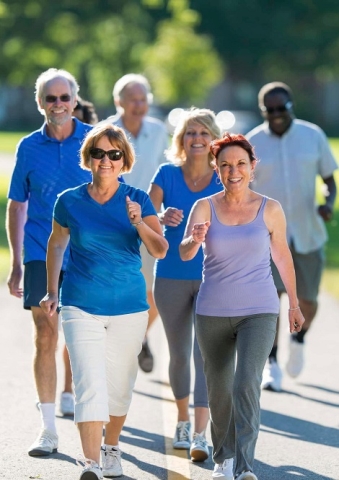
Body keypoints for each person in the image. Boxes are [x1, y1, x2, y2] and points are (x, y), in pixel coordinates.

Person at [39, 123, 168, 480]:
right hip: (80, 304)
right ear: (89, 158)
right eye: (99, 153)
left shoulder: (137, 198)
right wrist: (52, 290)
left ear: (124, 160)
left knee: (120, 384)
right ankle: (91, 462)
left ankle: (112, 448)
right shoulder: (69, 200)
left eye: (114, 154)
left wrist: (139, 223)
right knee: (88, 382)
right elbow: (56, 243)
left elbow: (160, 249)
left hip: (129, 307)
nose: (106, 160)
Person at [179, 132, 305, 480]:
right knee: (218, 388)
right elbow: (185, 251)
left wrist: (293, 304)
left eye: (240, 164)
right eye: (225, 165)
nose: (233, 171)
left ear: (252, 167)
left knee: (246, 382)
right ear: (216, 170)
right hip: (212, 312)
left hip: (259, 311)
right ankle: (224, 458)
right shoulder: (204, 206)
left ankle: (245, 466)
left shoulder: (270, 208)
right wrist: (194, 238)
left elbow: (282, 255)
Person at [6, 68, 93, 455]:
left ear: (75, 100)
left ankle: (77, 397)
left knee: (82, 334)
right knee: (46, 332)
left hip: (88, 253)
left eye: (64, 97)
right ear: (40, 102)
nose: (57, 104)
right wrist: (16, 262)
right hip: (41, 250)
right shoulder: (28, 147)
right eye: (50, 98)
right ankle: (47, 429)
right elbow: (17, 204)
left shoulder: (94, 142)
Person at [246, 82, 337, 392]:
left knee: (308, 301)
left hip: (308, 233)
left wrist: (328, 203)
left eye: (280, 109)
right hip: (268, 237)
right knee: (272, 302)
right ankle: (272, 363)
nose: (275, 115)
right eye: (269, 110)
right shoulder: (253, 142)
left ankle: (299, 337)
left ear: (291, 105)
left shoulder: (313, 135)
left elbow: (329, 180)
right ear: (263, 111)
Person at [148, 108, 222, 462]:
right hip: (171, 277)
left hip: (213, 278)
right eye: (190, 133)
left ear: (214, 140)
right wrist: (160, 218)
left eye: (204, 133)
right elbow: (143, 218)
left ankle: (200, 434)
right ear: (181, 139)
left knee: (205, 355)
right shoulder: (165, 174)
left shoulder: (225, 178)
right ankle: (181, 421)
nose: (197, 139)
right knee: (178, 353)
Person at [108, 73, 169, 373]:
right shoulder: (106, 131)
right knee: (119, 289)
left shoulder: (158, 131)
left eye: (143, 99)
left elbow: (167, 173)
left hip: (150, 223)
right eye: (132, 99)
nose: (138, 105)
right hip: (112, 226)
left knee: (155, 292)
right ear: (118, 102)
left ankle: (138, 337)